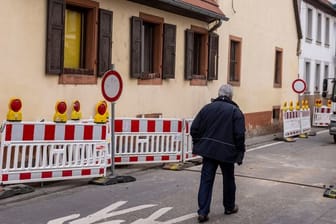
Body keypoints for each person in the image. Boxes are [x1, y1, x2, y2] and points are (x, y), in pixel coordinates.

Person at [190, 84, 246, 223]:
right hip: (227, 152)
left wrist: (199, 143)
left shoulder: (207, 108)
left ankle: (202, 212)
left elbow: (194, 129)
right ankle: (229, 207)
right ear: (231, 96)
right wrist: (240, 152)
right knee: (228, 180)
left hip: (209, 151)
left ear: (218, 94)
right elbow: (239, 135)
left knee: (206, 180)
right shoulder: (235, 111)